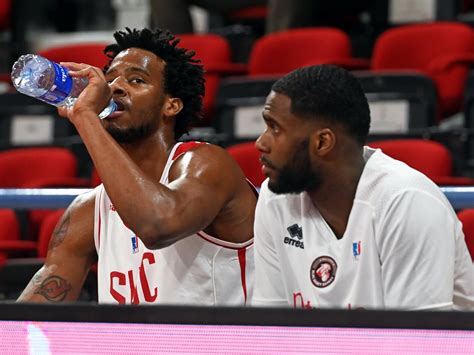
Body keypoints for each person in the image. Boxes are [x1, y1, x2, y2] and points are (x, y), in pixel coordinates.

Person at [17, 27, 257, 305]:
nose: (115, 87)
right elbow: (34, 315)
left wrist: (84, 116)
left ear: (172, 105)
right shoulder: (89, 210)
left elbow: (157, 225)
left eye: (136, 80)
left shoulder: (207, 163)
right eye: (109, 80)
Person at [251, 64, 474, 310]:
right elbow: (271, 328)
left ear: (322, 142)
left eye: (275, 128)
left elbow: (417, 341)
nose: (261, 142)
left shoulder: (406, 201)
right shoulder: (274, 198)